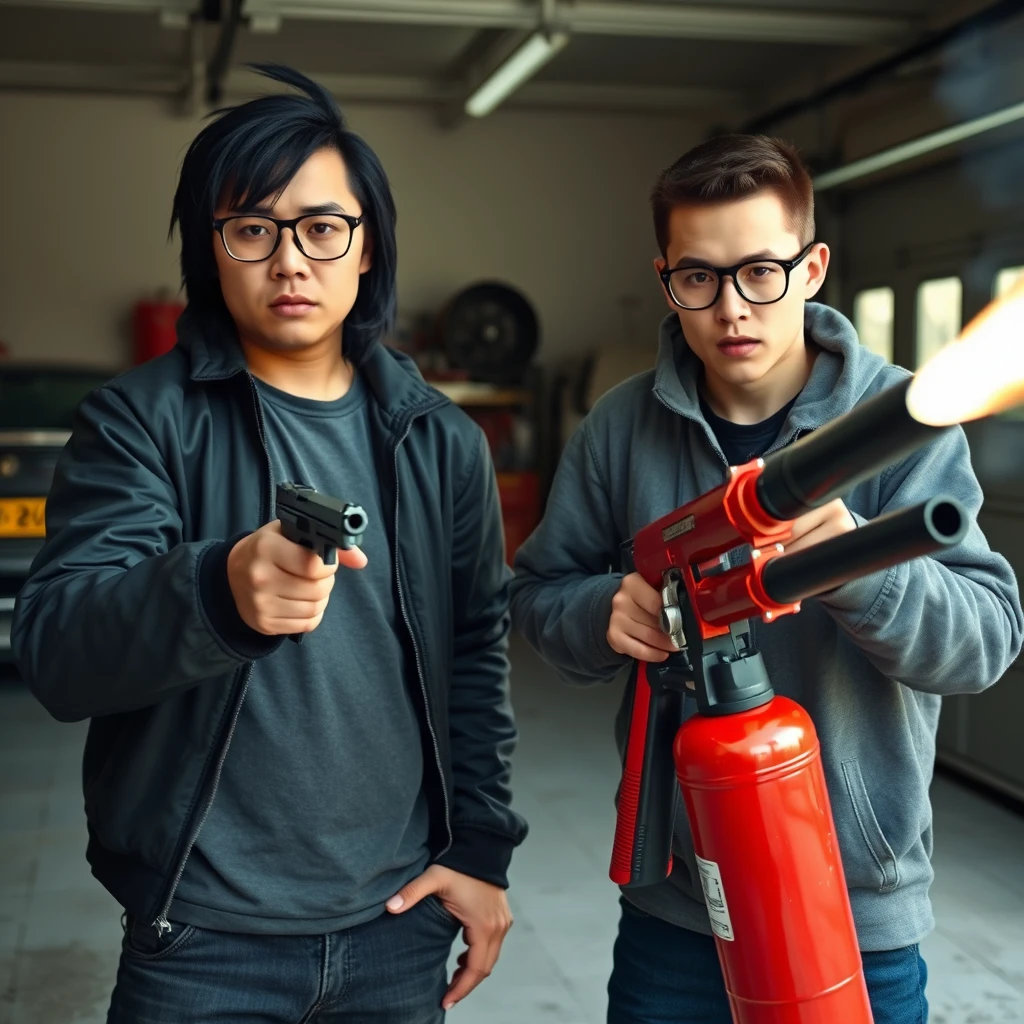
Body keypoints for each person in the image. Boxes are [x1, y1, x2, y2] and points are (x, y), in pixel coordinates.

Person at [12, 63, 526, 1023]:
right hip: (202, 937)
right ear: (212, 252)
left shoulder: (441, 440)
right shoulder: (139, 423)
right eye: (253, 229)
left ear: (367, 249)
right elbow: (56, 654)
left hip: (397, 922)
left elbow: (474, 658)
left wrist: (480, 855)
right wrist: (214, 592)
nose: (292, 261)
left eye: (323, 228)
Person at [508, 133, 1022, 1024]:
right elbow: (534, 598)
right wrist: (603, 612)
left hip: (856, 913)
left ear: (813, 266)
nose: (731, 308)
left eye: (761, 272)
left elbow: (985, 641)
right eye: (699, 278)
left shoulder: (903, 424)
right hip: (677, 906)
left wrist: (860, 567)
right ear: (666, 276)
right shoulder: (619, 429)